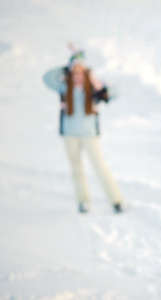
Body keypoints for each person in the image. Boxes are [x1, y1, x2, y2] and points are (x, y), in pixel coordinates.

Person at [43, 45, 124, 214]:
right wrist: (65, 67)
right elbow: (47, 78)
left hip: (89, 134)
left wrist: (97, 82)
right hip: (70, 134)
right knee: (76, 168)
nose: (77, 74)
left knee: (99, 166)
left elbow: (114, 93)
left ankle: (116, 200)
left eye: (81, 70)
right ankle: (83, 201)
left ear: (86, 72)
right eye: (74, 71)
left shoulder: (93, 88)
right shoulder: (65, 87)